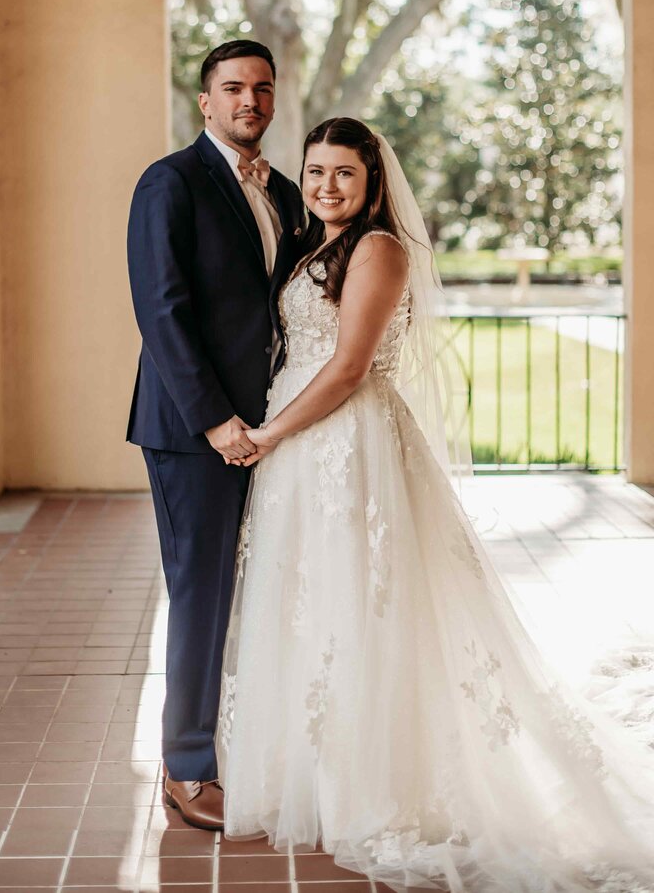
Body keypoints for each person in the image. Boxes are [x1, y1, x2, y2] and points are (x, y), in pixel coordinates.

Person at [217, 116, 654, 891]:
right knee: (312, 603)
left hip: (346, 445)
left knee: (362, 603)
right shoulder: (313, 240)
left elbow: (350, 366)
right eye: (315, 171)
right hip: (300, 450)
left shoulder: (379, 249)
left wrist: (269, 433)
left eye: (343, 173)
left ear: (374, 181)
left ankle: (377, 788)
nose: (326, 185)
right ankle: (318, 776)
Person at [126, 39, 304, 830]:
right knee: (203, 592)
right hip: (194, 429)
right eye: (233, 88)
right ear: (205, 101)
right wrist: (214, 420)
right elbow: (162, 311)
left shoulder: (289, 194)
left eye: (263, 89)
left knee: (263, 585)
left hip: (272, 426)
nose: (250, 102)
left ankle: (256, 742)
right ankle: (186, 767)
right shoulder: (169, 183)